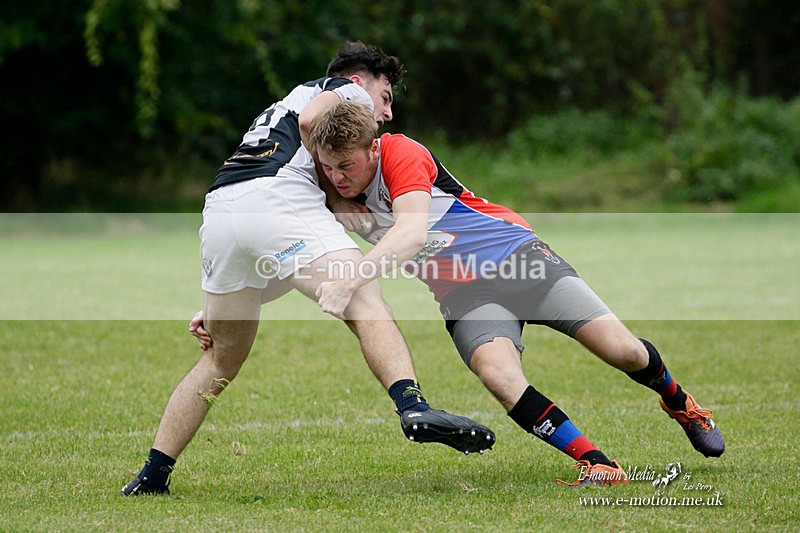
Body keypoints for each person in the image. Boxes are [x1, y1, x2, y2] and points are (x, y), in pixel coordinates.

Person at [120, 42, 495, 497]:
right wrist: (337, 199)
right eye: (386, 96)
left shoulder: (283, 102)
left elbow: (283, 259)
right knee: (363, 296)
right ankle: (413, 405)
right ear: (360, 82)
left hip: (222, 208)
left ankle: (152, 475)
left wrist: (227, 302)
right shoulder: (343, 93)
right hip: (276, 198)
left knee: (220, 357)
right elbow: (311, 122)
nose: (387, 112)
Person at [305, 101, 726, 487]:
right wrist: (333, 198)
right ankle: (597, 463)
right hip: (464, 292)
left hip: (518, 259)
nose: (339, 178)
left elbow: (412, 232)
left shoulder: (401, 153)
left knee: (625, 352)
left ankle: (679, 402)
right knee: (499, 376)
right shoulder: (325, 180)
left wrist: (351, 278)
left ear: (373, 150)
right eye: (329, 168)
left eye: (347, 166)